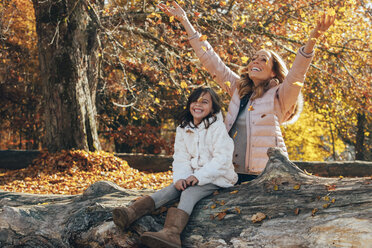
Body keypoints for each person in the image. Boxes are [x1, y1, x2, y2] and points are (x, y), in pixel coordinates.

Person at [159, 2, 336, 184]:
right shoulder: (238, 88)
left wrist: (314, 37)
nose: (255, 62)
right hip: (230, 171)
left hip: (265, 174)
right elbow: (210, 59)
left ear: (273, 72)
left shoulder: (280, 96)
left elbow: (298, 72)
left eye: (263, 59)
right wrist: (185, 21)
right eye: (253, 59)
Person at [113, 86, 238, 248]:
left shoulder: (217, 128)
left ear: (213, 107)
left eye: (204, 102)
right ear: (189, 104)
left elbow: (222, 160)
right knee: (170, 190)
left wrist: (198, 177)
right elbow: (181, 158)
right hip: (191, 175)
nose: (198, 105)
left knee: (188, 193)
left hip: (217, 177)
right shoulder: (183, 129)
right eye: (195, 101)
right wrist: (181, 178)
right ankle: (131, 213)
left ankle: (171, 234)